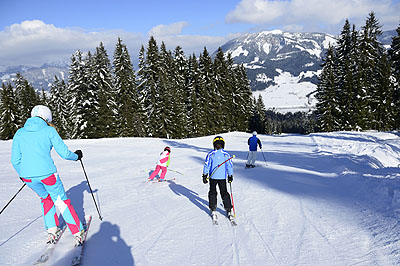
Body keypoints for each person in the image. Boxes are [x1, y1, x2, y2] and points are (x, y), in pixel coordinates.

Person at [11, 105, 85, 245]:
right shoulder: (49, 130)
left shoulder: (20, 133)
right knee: (61, 201)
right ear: (47, 117)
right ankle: (77, 232)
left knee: (46, 199)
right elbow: (64, 153)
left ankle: (52, 230)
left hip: (28, 178)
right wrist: (76, 156)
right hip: (48, 175)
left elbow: (15, 160)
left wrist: (23, 174)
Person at [202, 136, 233, 218]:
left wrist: (205, 175)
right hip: (221, 177)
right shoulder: (226, 154)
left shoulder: (211, 154)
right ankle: (228, 208)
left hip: (214, 177)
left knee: (213, 192)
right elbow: (229, 166)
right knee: (224, 192)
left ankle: (213, 208)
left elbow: (207, 165)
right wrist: (230, 175)